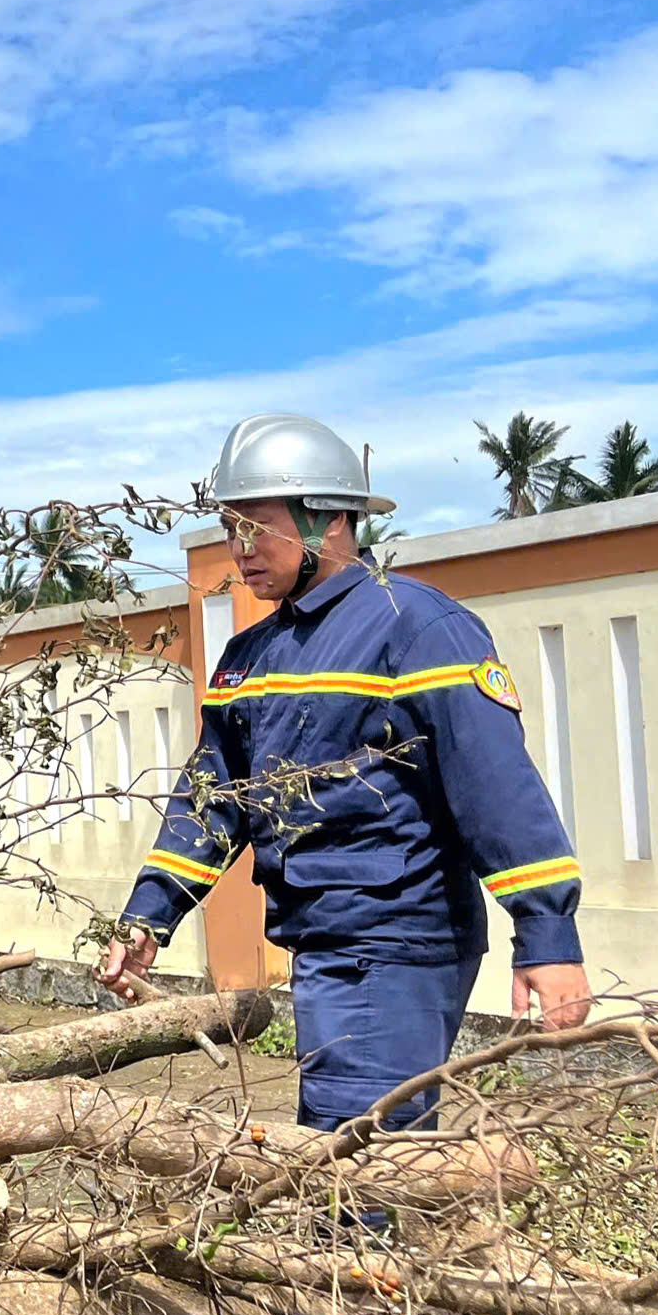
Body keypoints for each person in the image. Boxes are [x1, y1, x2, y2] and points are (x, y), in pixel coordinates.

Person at [103, 413, 592, 1131]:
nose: (239, 549)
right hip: (326, 941)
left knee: (352, 1161)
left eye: (255, 526)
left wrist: (548, 936)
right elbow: (213, 801)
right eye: (229, 528)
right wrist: (149, 915)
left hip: (396, 941)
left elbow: (497, 789)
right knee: (361, 1158)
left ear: (327, 517)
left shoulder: (417, 628)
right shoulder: (248, 656)